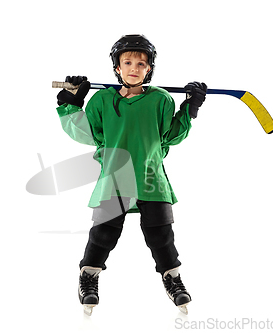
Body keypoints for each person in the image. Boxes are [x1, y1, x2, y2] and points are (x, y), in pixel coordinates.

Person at [55, 34, 207, 315]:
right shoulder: (101, 101)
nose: (134, 67)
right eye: (128, 62)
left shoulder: (161, 100)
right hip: (115, 179)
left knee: (162, 236)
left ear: (149, 69)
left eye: (141, 63)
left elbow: (171, 137)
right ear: (117, 68)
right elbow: (86, 133)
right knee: (103, 235)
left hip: (151, 178)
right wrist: (71, 103)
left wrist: (190, 107)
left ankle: (172, 278)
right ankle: (88, 277)